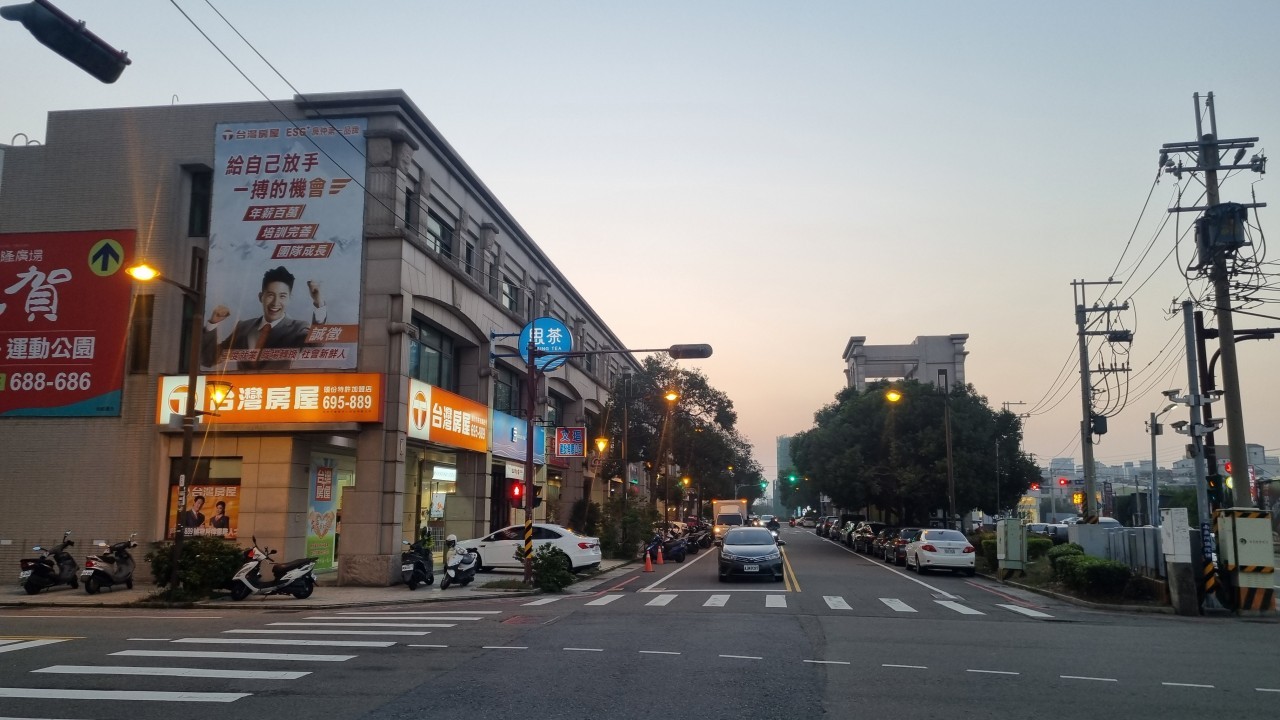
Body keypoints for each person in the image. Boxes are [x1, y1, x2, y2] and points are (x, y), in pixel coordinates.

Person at [201, 266, 325, 370]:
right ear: (261, 297)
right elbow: (209, 359)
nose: (275, 303)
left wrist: (319, 303)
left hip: (278, 389)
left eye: (282, 296)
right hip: (242, 390)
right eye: (270, 295)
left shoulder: (297, 328)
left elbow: (316, 345)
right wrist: (212, 323)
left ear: (289, 299)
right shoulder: (243, 327)